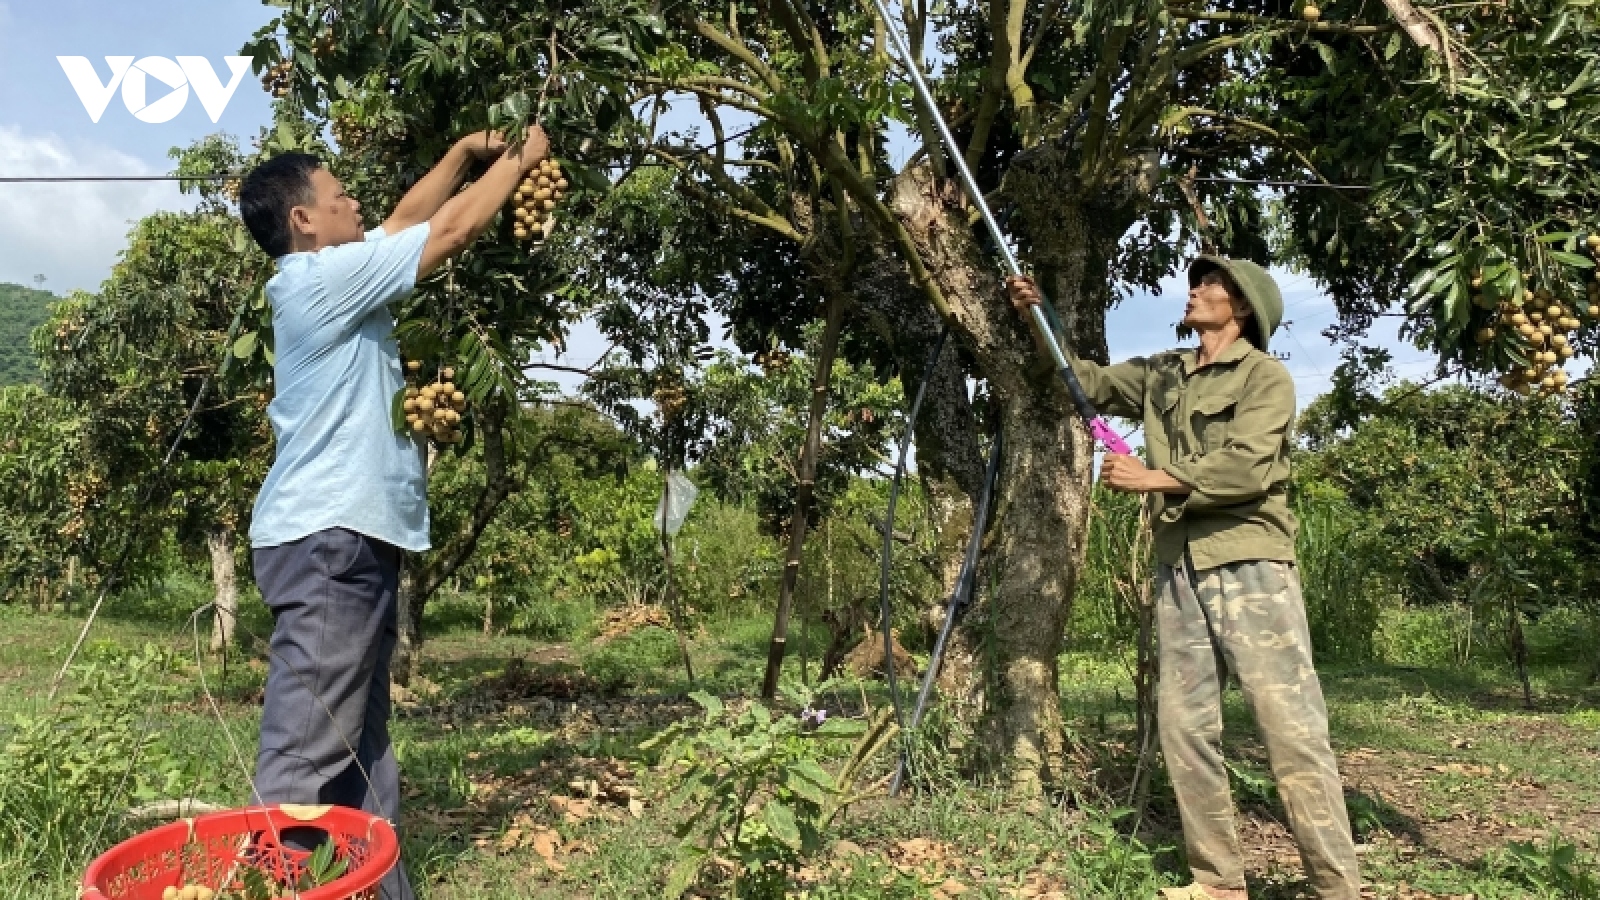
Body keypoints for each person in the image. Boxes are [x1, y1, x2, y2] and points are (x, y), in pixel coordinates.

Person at [237, 125, 551, 900]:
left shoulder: (333, 272)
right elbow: (449, 230)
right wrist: (523, 156)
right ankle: (268, 885)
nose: (355, 204)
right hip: (328, 541)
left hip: (350, 541)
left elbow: (407, 222)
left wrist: (463, 153)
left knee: (361, 756)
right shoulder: (321, 279)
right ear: (304, 220)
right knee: (305, 760)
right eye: (340, 195)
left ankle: (376, 889)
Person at [1008, 260, 1361, 900]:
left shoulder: (1265, 376)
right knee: (1184, 728)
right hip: (1178, 564)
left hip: (1249, 561)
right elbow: (1082, 380)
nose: (1194, 290)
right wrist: (1038, 316)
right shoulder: (1163, 371)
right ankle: (1218, 881)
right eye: (1194, 282)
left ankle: (1337, 888)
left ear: (1243, 307)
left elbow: (1247, 468)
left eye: (1209, 284)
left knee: (1290, 730)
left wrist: (1152, 478)